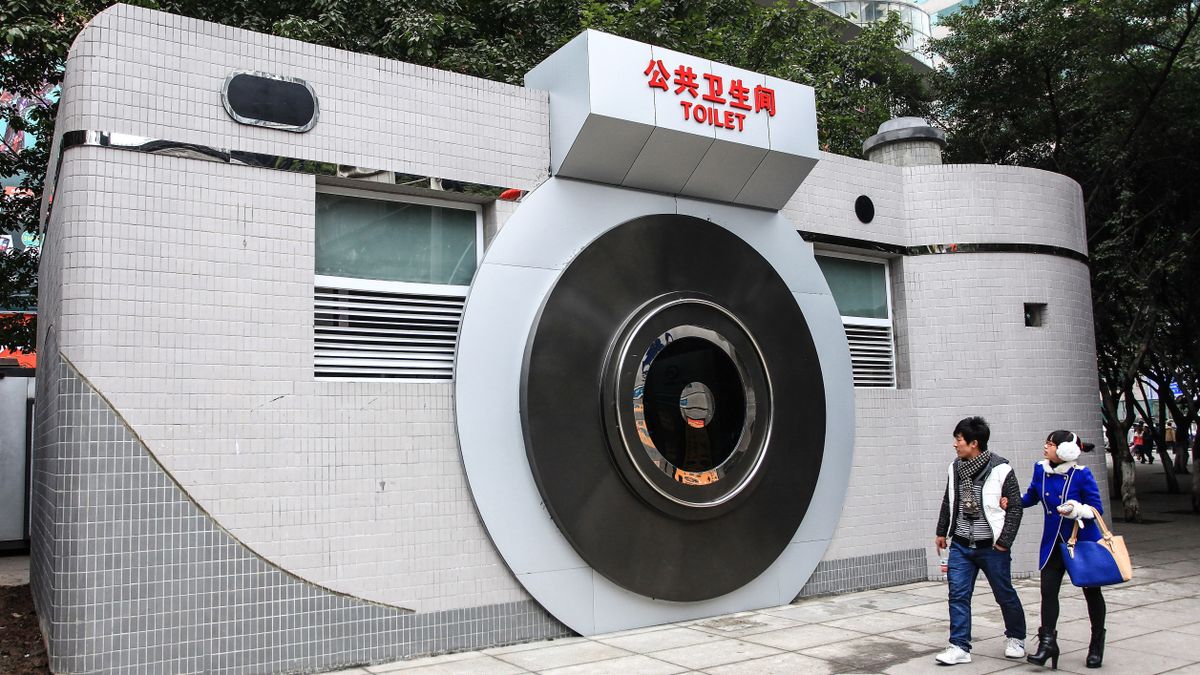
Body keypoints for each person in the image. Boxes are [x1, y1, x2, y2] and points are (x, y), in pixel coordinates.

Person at [934, 416, 1026, 665]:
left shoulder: (1001, 469)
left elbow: (1015, 507)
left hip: (992, 547)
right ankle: (959, 646)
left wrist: (1004, 542)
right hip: (962, 544)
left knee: (1004, 593)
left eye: (959, 440)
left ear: (974, 443)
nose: (955, 445)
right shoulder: (955, 468)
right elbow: (948, 500)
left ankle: (1016, 638)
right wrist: (942, 531)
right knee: (958, 594)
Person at [1019, 430, 1107, 669]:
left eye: (1049, 444)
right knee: (1048, 592)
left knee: (1092, 593)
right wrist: (1011, 501)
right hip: (1053, 544)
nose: (1045, 447)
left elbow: (1096, 509)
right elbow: (1032, 496)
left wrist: (1075, 509)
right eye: (1046, 443)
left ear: (1065, 450)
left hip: (1081, 543)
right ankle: (1048, 644)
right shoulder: (1041, 470)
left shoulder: (1081, 475)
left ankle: (1096, 643)